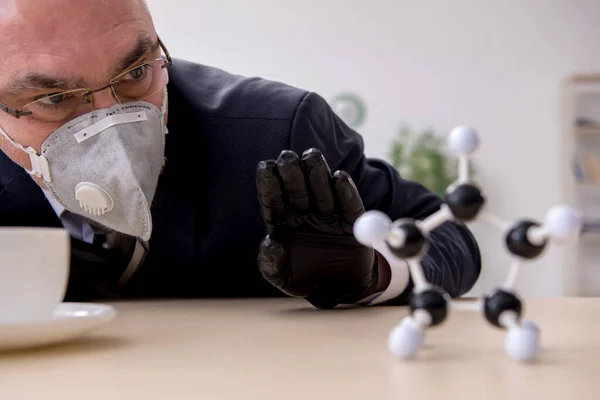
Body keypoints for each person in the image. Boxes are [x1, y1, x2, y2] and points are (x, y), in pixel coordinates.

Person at [0, 0, 481, 308]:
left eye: (135, 73)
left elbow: (449, 233)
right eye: (54, 99)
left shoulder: (276, 134)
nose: (111, 120)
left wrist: (372, 270)